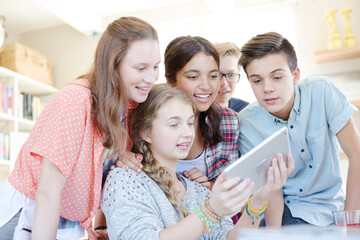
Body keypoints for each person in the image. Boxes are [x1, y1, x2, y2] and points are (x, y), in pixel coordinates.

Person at [0, 16, 161, 240]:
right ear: (113, 66)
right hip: (27, 216)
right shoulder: (75, 101)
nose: (151, 77)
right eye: (141, 68)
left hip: (66, 226)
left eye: (155, 67)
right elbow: (48, 193)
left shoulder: (128, 110)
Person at [118, 35, 294, 227]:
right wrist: (121, 156)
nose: (206, 86)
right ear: (171, 80)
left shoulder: (228, 122)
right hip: (160, 222)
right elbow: (118, 184)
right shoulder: (142, 117)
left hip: (217, 225)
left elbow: (239, 196)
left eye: (213, 75)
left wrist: (209, 188)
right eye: (193, 77)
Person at [101, 83, 291, 240]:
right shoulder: (126, 180)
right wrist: (211, 210)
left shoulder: (198, 190)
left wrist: (259, 200)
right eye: (174, 124)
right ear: (146, 133)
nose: (187, 133)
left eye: (190, 123)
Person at [237, 32, 360, 226]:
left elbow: (357, 154)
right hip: (289, 212)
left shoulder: (322, 91)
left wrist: (351, 222)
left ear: (295, 76)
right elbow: (272, 188)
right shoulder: (246, 124)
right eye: (257, 80)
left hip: (334, 207)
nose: (267, 88)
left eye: (276, 77)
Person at [213, 42, 249, 112]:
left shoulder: (246, 111)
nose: (224, 83)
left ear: (238, 78)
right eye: (217, 75)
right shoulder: (192, 111)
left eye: (231, 75)